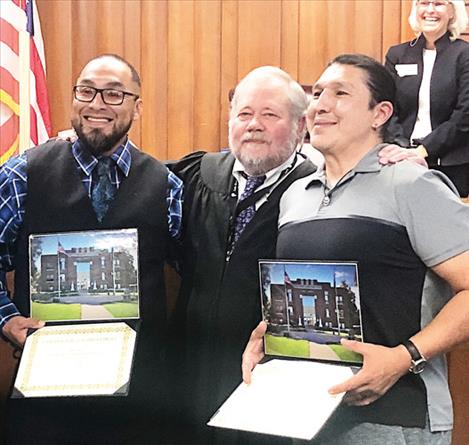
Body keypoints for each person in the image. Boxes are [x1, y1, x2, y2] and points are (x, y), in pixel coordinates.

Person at [167, 65, 422, 445]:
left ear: (301, 125)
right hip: (191, 365)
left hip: (278, 376)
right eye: (244, 113)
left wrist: (392, 156)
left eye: (270, 115)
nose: (254, 125)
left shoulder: (318, 191)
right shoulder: (196, 175)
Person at [242, 54, 469, 445]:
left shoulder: (411, 184)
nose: (321, 104)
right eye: (317, 93)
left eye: (340, 93)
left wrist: (404, 357)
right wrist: (270, 341)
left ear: (379, 113)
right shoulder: (295, 196)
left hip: (395, 417)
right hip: (304, 411)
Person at [0, 54, 183, 445]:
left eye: (114, 94)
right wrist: (6, 318)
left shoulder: (166, 185)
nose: (97, 104)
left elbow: (197, 271)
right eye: (86, 90)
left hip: (141, 401)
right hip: (46, 397)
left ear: (138, 106)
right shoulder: (21, 175)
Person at [385, 0, 469, 197]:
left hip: (450, 165)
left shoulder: (464, 55)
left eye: (439, 4)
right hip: (400, 158)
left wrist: (424, 150)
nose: (430, 10)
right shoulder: (397, 54)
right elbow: (386, 107)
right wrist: (401, 148)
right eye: (424, 3)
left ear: (452, 13)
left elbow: (465, 114)